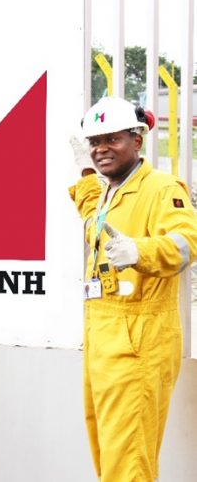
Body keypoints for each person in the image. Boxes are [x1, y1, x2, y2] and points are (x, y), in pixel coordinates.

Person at [69, 96, 197, 482]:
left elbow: (186, 241)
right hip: (104, 335)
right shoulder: (109, 190)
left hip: (139, 340)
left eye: (112, 139)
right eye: (95, 141)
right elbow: (94, 220)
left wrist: (139, 252)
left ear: (137, 140)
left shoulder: (161, 188)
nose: (101, 149)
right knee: (107, 450)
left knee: (129, 461)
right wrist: (86, 173)